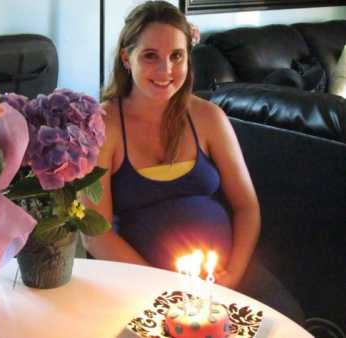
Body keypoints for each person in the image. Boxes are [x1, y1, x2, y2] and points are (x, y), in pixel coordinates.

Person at [82, 0, 304, 324]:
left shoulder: (209, 117)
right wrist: (166, 289)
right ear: (126, 58)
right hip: (145, 283)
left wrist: (233, 275)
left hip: (227, 274)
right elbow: (95, 233)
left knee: (289, 324)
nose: (166, 70)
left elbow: (247, 206)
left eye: (176, 56)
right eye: (150, 56)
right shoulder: (103, 124)